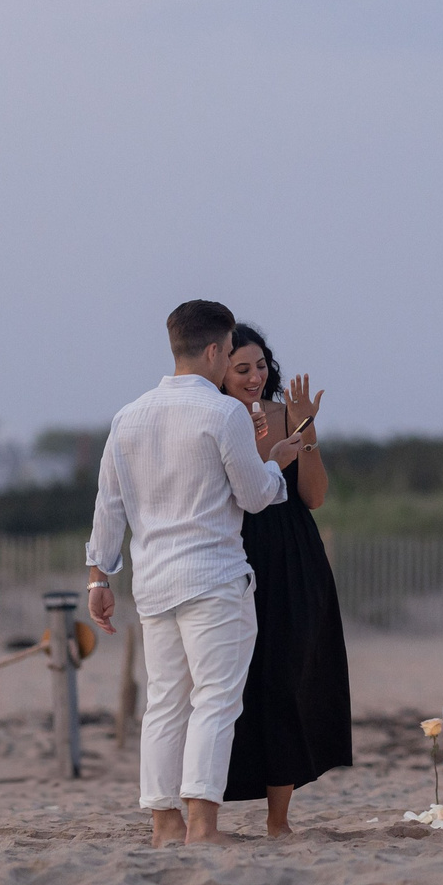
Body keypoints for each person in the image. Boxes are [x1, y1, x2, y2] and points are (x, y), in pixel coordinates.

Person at [85, 300, 306, 847]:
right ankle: (203, 826)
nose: (231, 361)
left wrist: (98, 578)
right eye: (230, 352)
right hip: (213, 578)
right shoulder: (223, 413)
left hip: (154, 582)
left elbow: (108, 505)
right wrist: (276, 462)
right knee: (215, 700)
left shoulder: (128, 416)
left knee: (164, 703)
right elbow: (254, 496)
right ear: (213, 351)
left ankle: (165, 825)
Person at [217, 323, 352, 835]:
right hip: (233, 550)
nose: (255, 377)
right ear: (219, 370)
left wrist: (306, 433)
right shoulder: (212, 419)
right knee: (233, 682)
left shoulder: (287, 414)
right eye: (242, 368)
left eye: (260, 365)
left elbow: (314, 497)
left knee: (286, 677)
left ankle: (279, 820)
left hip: (293, 555)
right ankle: (206, 808)